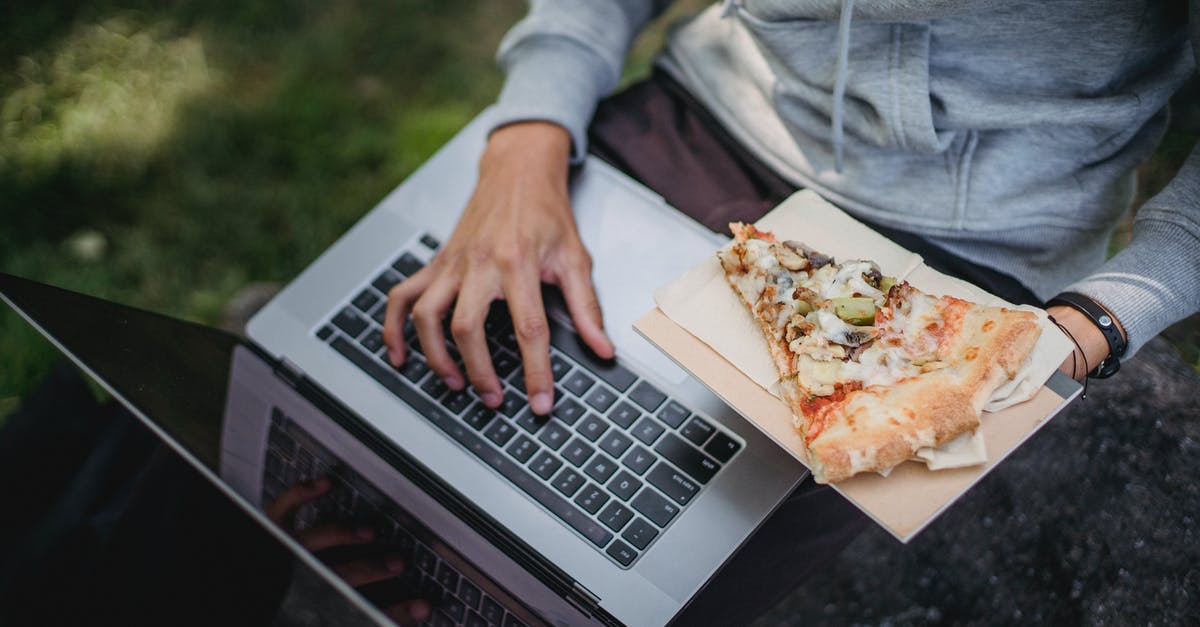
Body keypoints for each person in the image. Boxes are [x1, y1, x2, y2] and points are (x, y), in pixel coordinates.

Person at [380, 1, 1200, 622]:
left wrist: (1101, 320)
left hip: (974, 241)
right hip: (705, 110)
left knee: (626, 586)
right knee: (398, 413)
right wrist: (526, 130)